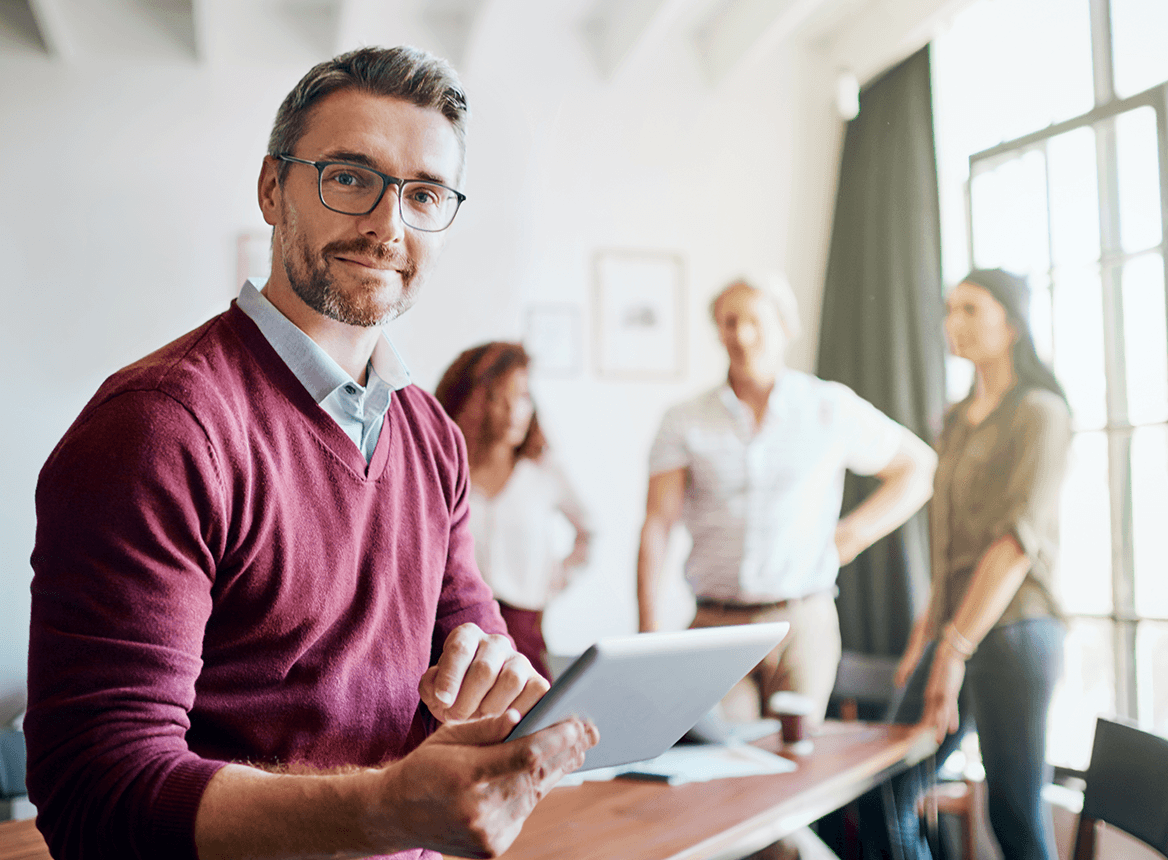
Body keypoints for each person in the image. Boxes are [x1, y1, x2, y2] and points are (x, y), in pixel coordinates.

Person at [25, 46, 597, 860]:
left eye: (424, 194)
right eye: (350, 176)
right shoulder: (159, 426)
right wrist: (383, 811)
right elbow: (97, 793)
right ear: (271, 188)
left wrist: (488, 672)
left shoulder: (433, 434)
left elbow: (472, 632)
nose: (387, 225)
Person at [636, 275, 937, 726]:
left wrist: (850, 536)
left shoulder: (828, 407)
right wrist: (648, 630)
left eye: (754, 320)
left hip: (802, 624)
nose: (741, 334)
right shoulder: (683, 420)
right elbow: (658, 523)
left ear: (785, 327)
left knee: (796, 770)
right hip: (715, 626)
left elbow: (918, 468)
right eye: (729, 322)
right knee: (721, 769)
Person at [888, 269, 1071, 860]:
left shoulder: (1040, 413)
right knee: (890, 785)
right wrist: (925, 638)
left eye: (971, 309)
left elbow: (1015, 542)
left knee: (1013, 812)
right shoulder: (955, 421)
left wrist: (953, 648)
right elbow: (946, 550)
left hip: (1017, 632)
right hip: (954, 631)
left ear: (1012, 325)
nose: (953, 323)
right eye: (949, 309)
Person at [434, 342, 593, 679]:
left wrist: (551, 582)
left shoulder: (543, 470)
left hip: (525, 635)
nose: (514, 412)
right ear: (472, 403)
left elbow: (590, 531)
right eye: (499, 398)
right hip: (451, 642)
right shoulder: (442, 471)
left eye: (522, 396)